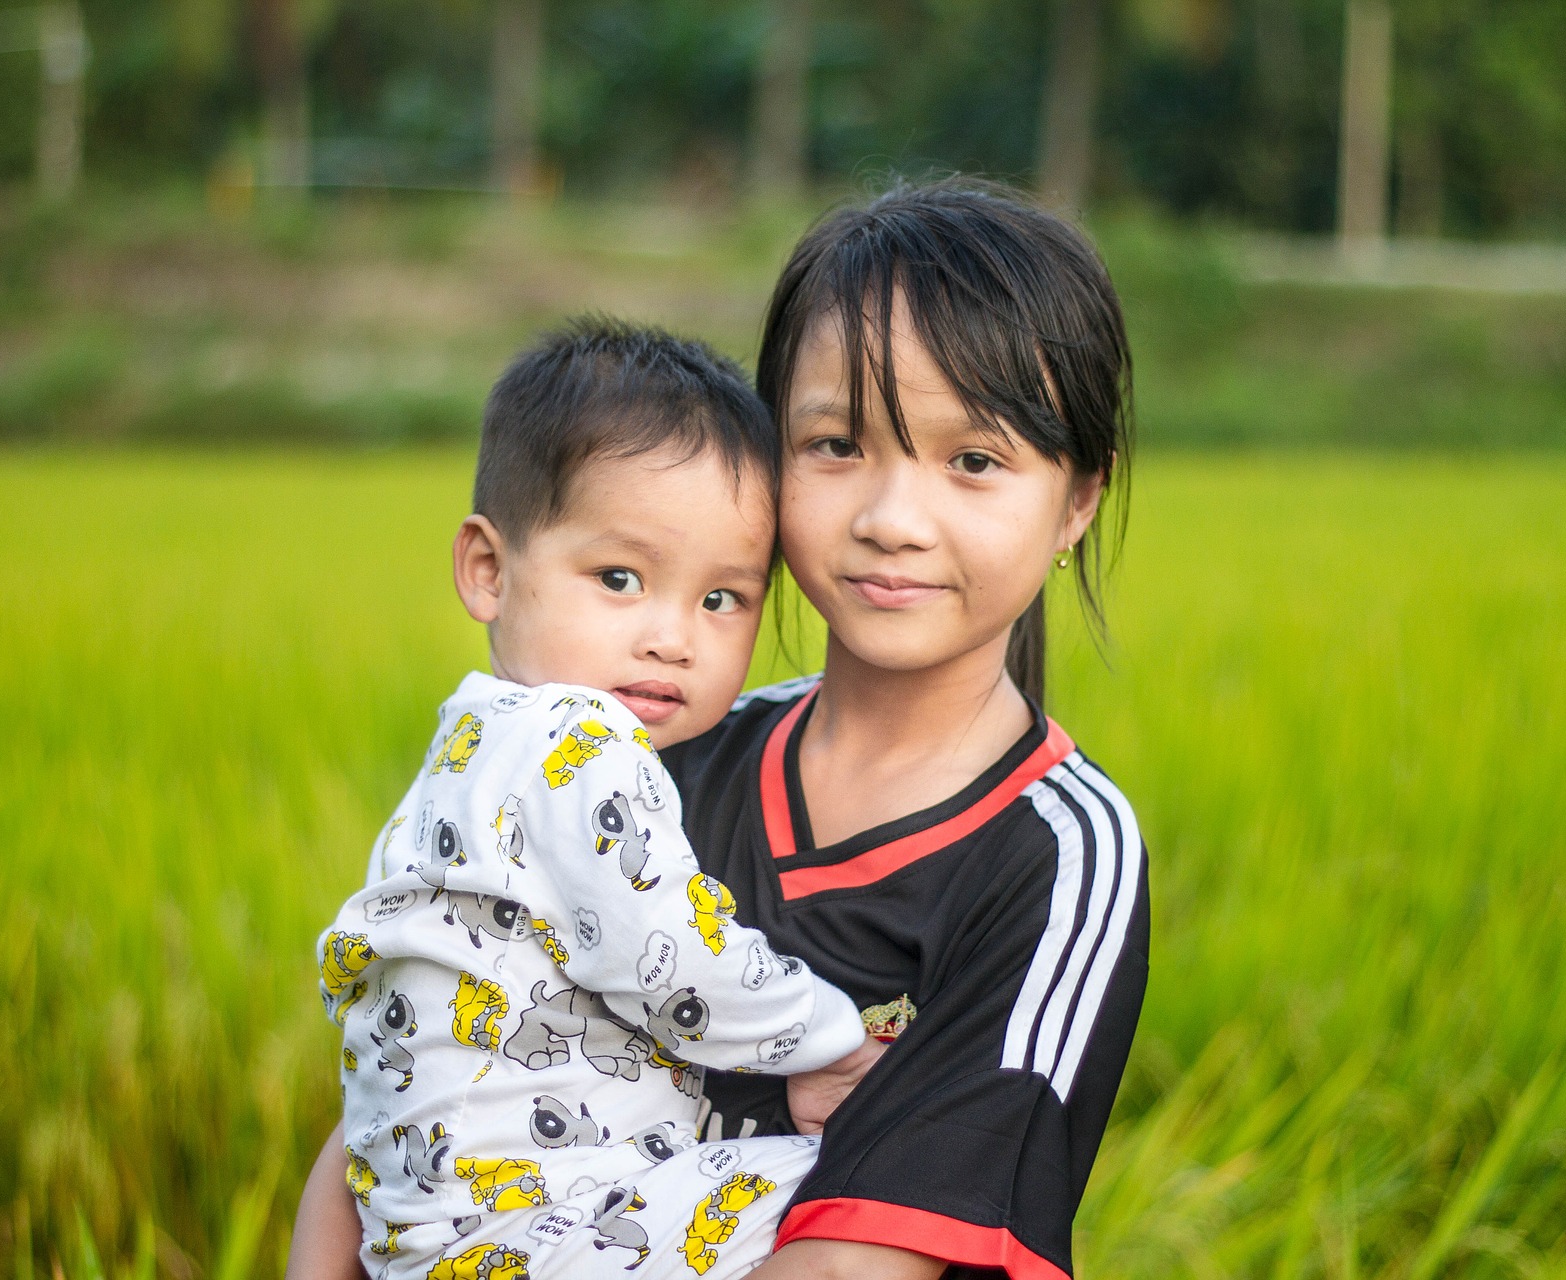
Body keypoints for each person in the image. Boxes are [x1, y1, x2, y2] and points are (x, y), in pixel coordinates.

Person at [293, 179, 1149, 1280]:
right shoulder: (639, 754)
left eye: (973, 460)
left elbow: (857, 1262)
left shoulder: (1054, 854)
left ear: (1077, 500)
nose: (892, 518)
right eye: (836, 443)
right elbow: (426, 1078)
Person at [300, 317, 879, 1280]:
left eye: (723, 599)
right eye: (620, 578)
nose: (672, 638)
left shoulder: (476, 738)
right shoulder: (581, 739)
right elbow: (675, 960)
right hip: (534, 1230)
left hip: (426, 1232)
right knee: (868, 1187)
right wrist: (833, 1043)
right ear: (488, 570)